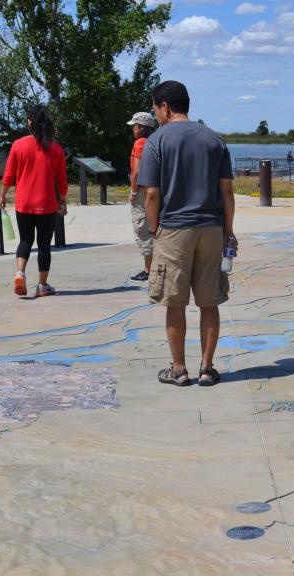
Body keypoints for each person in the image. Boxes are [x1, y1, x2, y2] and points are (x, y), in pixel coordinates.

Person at [137, 81, 236, 387]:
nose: (156, 114)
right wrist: (228, 232)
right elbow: (227, 192)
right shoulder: (214, 140)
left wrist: (155, 231)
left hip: (174, 229)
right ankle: (207, 369)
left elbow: (151, 194)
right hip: (211, 229)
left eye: (155, 108)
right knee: (210, 301)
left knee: (175, 302)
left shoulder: (156, 142)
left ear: (165, 106)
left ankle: (179, 370)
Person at [0, 104, 68, 298]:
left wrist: (3, 195)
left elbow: (9, 175)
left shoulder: (18, 145)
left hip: (24, 203)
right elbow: (62, 180)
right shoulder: (55, 149)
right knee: (44, 245)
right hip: (46, 205)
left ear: (30, 122)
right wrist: (62, 200)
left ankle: (20, 273)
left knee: (26, 240)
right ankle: (42, 285)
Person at [126, 112, 157, 281]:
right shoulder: (155, 141)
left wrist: (133, 192)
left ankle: (149, 269)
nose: (132, 129)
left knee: (142, 227)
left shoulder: (140, 143)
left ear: (142, 128)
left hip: (142, 191)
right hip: (154, 188)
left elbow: (136, 171)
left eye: (135, 126)